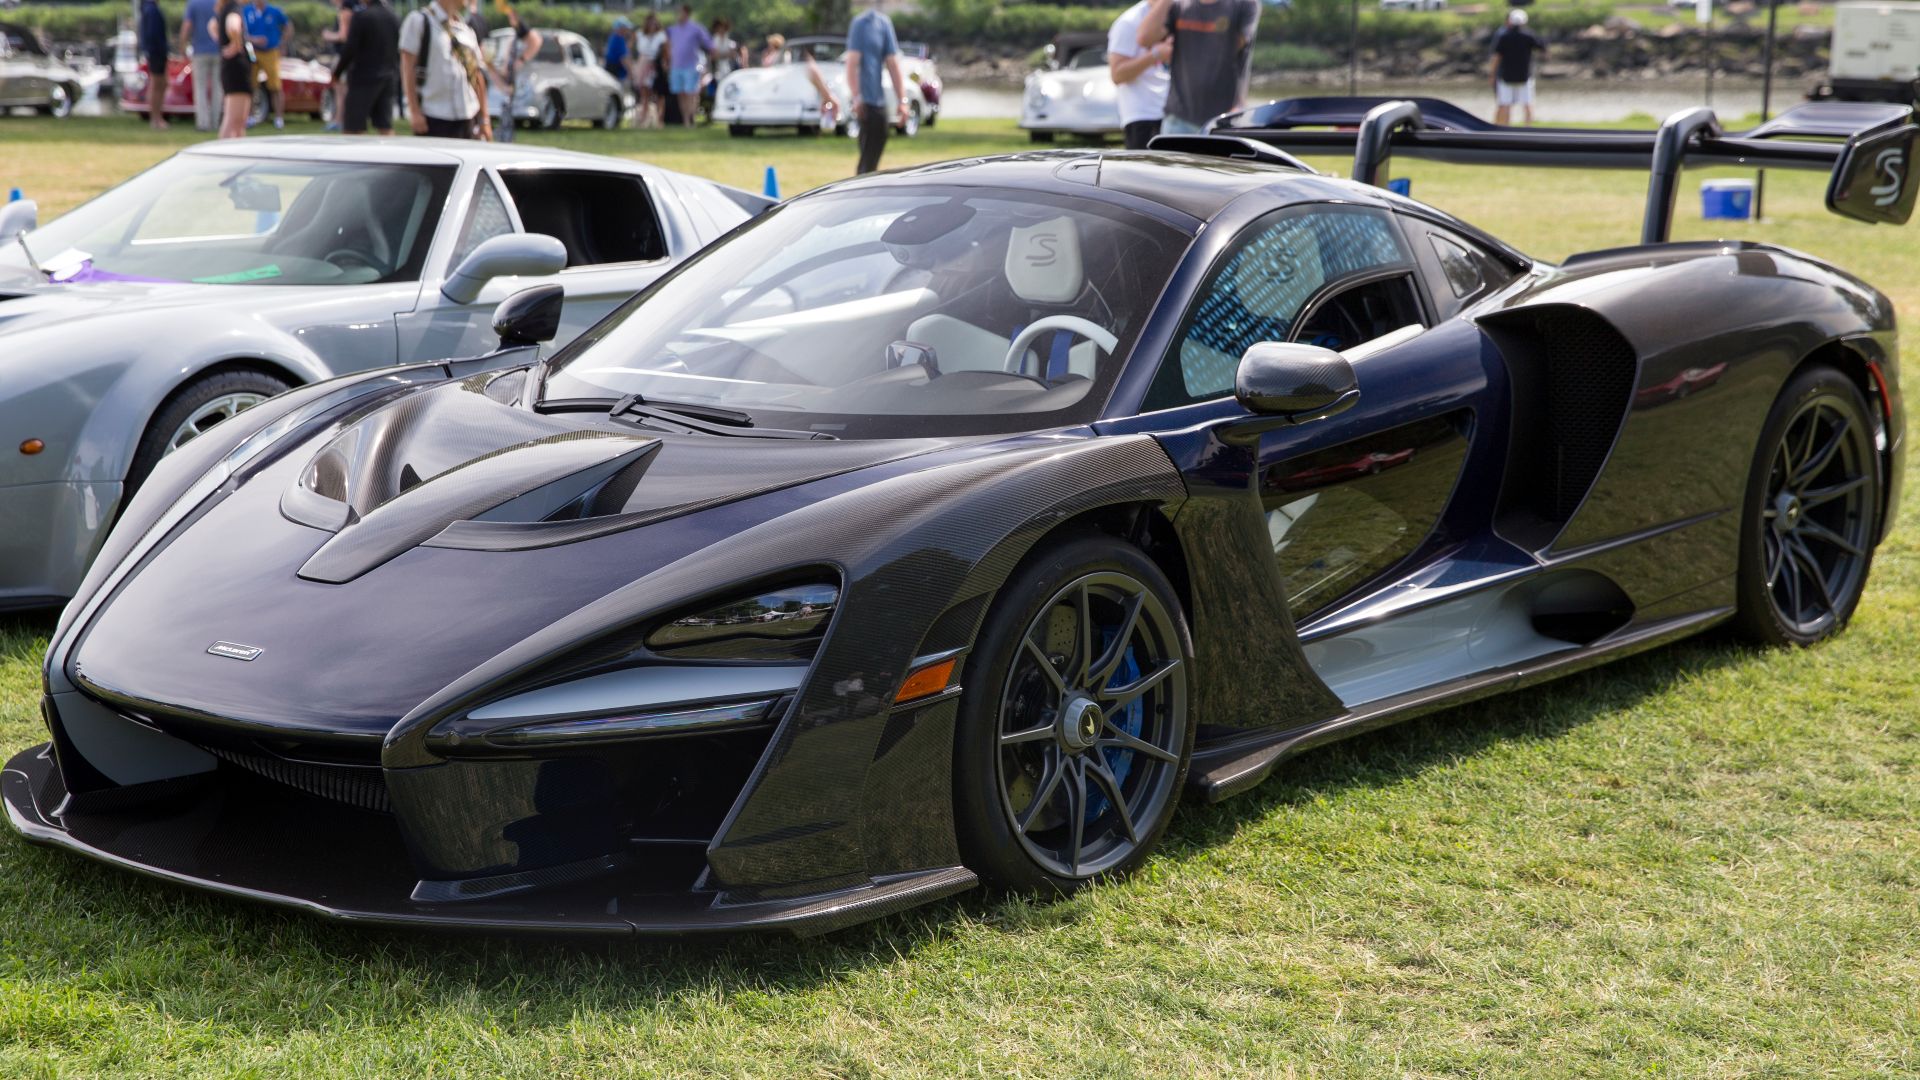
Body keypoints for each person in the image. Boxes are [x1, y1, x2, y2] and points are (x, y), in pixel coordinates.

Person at [1137, 0, 1258, 136]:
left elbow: (1235, 44)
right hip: (1178, 121)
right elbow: (1144, 38)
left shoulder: (1244, 4)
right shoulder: (1179, 5)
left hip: (1226, 120)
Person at [400, 0, 490, 139]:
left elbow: (477, 75)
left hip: (467, 116)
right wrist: (414, 112)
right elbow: (407, 68)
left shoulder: (466, 30)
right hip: (433, 116)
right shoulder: (419, 21)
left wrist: (484, 119)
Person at [846, 1, 907, 174]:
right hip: (866, 102)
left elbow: (893, 65)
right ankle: (861, 194)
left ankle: (865, 190)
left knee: (876, 148)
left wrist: (902, 101)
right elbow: (852, 64)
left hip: (879, 103)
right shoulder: (860, 24)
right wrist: (857, 97)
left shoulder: (884, 23)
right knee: (868, 157)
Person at [1107, 1, 1171, 149]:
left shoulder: (1178, 12)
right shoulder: (1128, 22)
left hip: (1174, 114)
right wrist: (1155, 54)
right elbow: (1117, 74)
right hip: (1143, 116)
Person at [337, 0, 399, 134]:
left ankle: (353, 155)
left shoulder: (362, 17)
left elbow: (350, 49)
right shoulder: (393, 16)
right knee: (385, 126)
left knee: (353, 127)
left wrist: (337, 73)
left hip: (363, 78)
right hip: (388, 77)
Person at [486, 8, 540, 141]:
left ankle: (507, 138)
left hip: (517, 84)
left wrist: (521, 60)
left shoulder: (526, 37)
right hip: (508, 84)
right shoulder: (513, 38)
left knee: (508, 115)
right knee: (505, 114)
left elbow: (535, 42)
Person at [1490, 8, 1545, 127]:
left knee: (1505, 104)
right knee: (1528, 104)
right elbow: (1542, 47)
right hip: (1524, 76)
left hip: (1506, 76)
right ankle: (1528, 130)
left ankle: (1503, 129)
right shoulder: (1529, 36)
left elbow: (1496, 57)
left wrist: (1492, 74)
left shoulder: (1504, 37)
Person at [243, 0, 290, 128]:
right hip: (252, 51)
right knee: (251, 85)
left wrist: (283, 44)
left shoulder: (274, 11)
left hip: (271, 51)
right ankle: (250, 116)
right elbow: (241, 32)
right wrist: (254, 40)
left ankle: (279, 118)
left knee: (275, 86)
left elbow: (288, 26)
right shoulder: (246, 11)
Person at [664, 4, 711, 128]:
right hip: (676, 66)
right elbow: (668, 47)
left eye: (680, 12)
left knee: (691, 93)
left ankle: (692, 119)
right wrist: (667, 62)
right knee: (681, 95)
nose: (678, 15)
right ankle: (685, 120)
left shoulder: (696, 28)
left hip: (691, 66)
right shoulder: (672, 30)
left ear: (687, 13)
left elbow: (709, 44)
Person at [213, 0, 254, 138]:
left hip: (230, 68)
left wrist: (222, 42)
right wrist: (236, 44)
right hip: (237, 68)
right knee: (234, 119)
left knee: (238, 121)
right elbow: (233, 26)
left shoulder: (226, 7)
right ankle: (223, 155)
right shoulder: (234, 7)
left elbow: (211, 25)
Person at [182, 0, 220, 130]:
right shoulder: (218, 3)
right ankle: (215, 122)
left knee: (200, 88)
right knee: (218, 88)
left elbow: (187, 25)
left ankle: (203, 122)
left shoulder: (193, 4)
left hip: (200, 50)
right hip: (218, 50)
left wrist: (182, 45)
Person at [321, 0, 358, 131]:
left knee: (340, 90)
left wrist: (328, 35)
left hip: (344, 55)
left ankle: (339, 119)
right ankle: (340, 118)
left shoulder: (346, 9)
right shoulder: (355, 7)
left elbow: (343, 36)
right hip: (350, 55)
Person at [138, 0, 169, 130]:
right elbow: (152, 33)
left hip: (155, 52)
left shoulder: (147, 8)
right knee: (157, 85)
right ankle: (155, 118)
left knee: (161, 84)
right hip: (157, 52)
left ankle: (157, 117)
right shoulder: (151, 9)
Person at [634, 13, 666, 128]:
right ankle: (644, 118)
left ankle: (659, 119)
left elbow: (665, 51)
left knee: (658, 93)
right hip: (643, 63)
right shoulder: (640, 35)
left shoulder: (661, 36)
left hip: (656, 64)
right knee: (644, 93)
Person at [604, 16, 632, 88]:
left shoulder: (614, 37)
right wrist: (631, 73)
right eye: (625, 28)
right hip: (616, 73)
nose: (627, 30)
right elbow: (623, 59)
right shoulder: (619, 39)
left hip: (612, 70)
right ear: (621, 28)